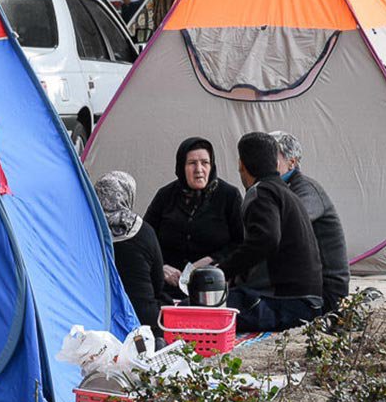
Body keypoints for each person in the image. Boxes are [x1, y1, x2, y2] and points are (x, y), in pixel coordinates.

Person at [220, 132, 324, 332]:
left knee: (199, 307)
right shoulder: (287, 193)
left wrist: (223, 270)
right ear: (276, 164)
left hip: (286, 304)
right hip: (310, 303)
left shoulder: (261, 193)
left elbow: (266, 239)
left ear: (241, 164)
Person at [144, 137, 244, 296]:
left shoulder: (229, 196)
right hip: (167, 288)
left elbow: (241, 242)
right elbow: (145, 238)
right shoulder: (165, 195)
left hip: (211, 288)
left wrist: (212, 260)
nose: (199, 169)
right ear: (181, 167)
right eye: (192, 163)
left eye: (205, 162)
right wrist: (161, 266)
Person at [269, 131, 350, 314]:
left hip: (325, 293)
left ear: (292, 162)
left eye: (272, 157)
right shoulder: (280, 190)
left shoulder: (307, 190)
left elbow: (290, 223)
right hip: (302, 287)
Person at [95, 171, 169, 337]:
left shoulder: (89, 230)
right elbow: (158, 282)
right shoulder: (144, 231)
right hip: (144, 322)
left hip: (100, 321)